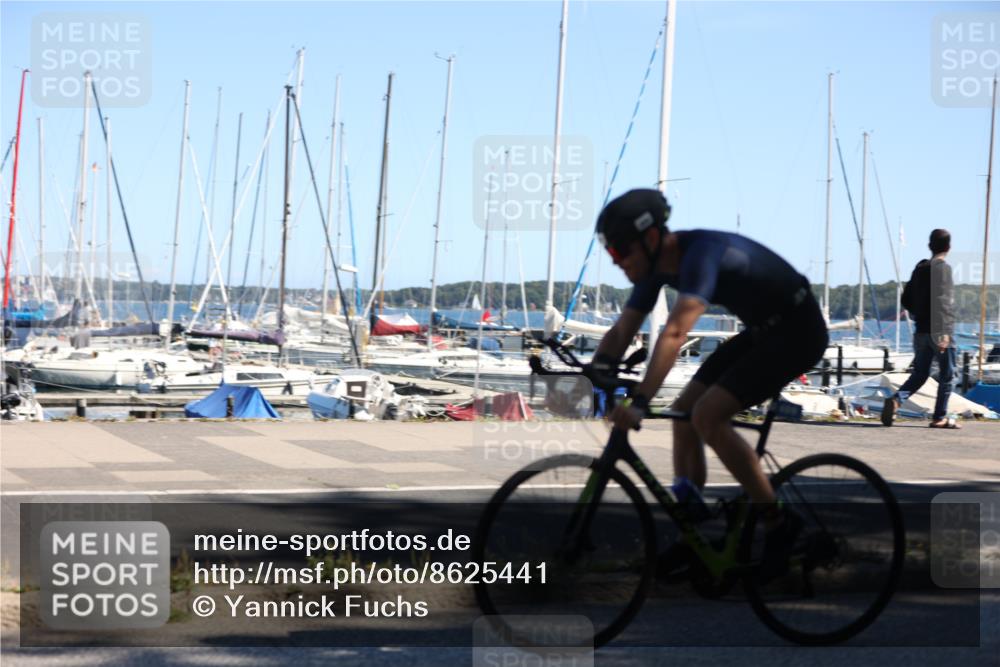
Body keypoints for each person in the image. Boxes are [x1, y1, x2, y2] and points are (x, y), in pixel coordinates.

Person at [589, 188, 829, 580]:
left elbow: (675, 333)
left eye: (620, 251)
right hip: (762, 332)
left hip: (798, 332)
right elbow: (622, 331)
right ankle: (695, 538)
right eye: (611, 254)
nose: (616, 262)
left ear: (650, 239)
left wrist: (640, 401)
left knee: (708, 416)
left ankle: (780, 523)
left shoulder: (701, 252)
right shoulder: (652, 270)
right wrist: (593, 375)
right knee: (684, 412)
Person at [882, 229, 958, 428]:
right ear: (948, 247)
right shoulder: (944, 269)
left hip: (921, 330)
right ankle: (939, 417)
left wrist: (919, 314)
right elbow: (944, 302)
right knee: (947, 375)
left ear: (929, 245)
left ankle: (897, 400)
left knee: (920, 374)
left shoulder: (920, 268)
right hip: (939, 330)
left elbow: (905, 299)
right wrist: (944, 333)